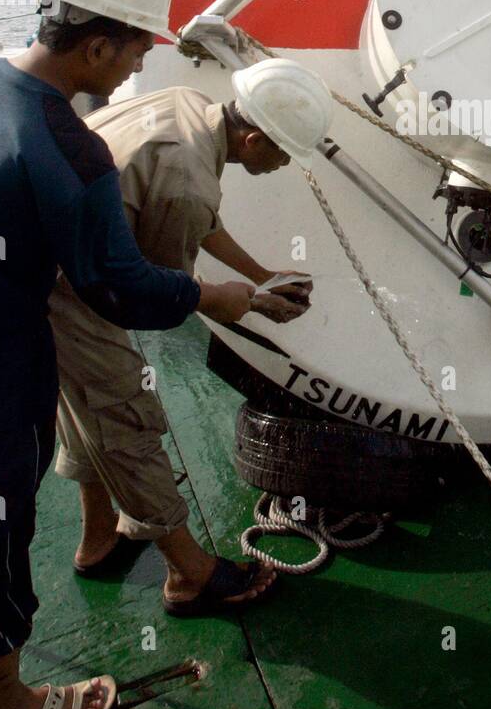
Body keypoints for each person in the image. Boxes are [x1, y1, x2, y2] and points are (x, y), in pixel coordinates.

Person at [0, 0, 256, 709]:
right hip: (2, 362)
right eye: (136, 48)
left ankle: (100, 538)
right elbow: (124, 291)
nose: (139, 68)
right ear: (97, 43)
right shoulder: (71, 151)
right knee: (0, 527)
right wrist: (217, 296)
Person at [48, 81, 313, 616]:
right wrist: (251, 303)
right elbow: (162, 297)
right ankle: (190, 577)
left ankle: (98, 541)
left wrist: (261, 275)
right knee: (124, 419)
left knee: (85, 413)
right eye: (284, 153)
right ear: (255, 139)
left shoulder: (188, 104)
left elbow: (194, 216)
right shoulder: (190, 182)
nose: (285, 165)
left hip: (39, 249)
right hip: (64, 288)